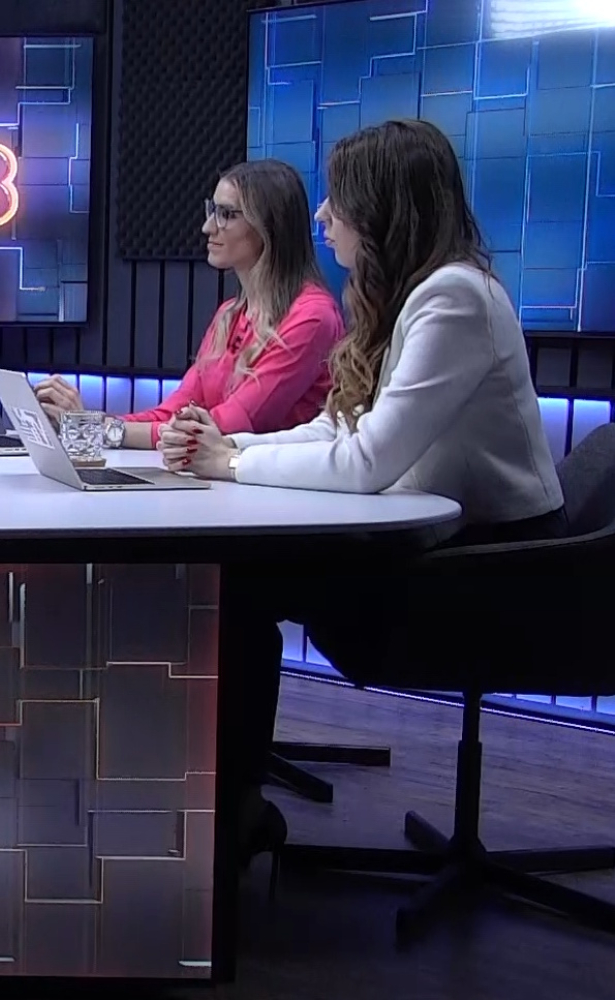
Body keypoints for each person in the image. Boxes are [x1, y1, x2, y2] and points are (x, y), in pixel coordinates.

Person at [157, 119, 566, 865]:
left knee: (240, 587)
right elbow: (338, 426)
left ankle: (236, 818)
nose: (322, 215)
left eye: (337, 199)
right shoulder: (413, 295)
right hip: (446, 541)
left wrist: (230, 466)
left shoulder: (454, 298)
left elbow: (369, 460)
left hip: (500, 568)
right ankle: (233, 808)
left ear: (382, 210)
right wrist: (233, 449)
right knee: (239, 583)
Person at [34, 159, 343, 448]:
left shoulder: (312, 317)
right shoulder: (230, 315)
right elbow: (173, 413)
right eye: (212, 210)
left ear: (269, 227)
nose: (208, 227)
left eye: (227, 214)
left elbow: (227, 426)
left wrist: (91, 428)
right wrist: (90, 424)